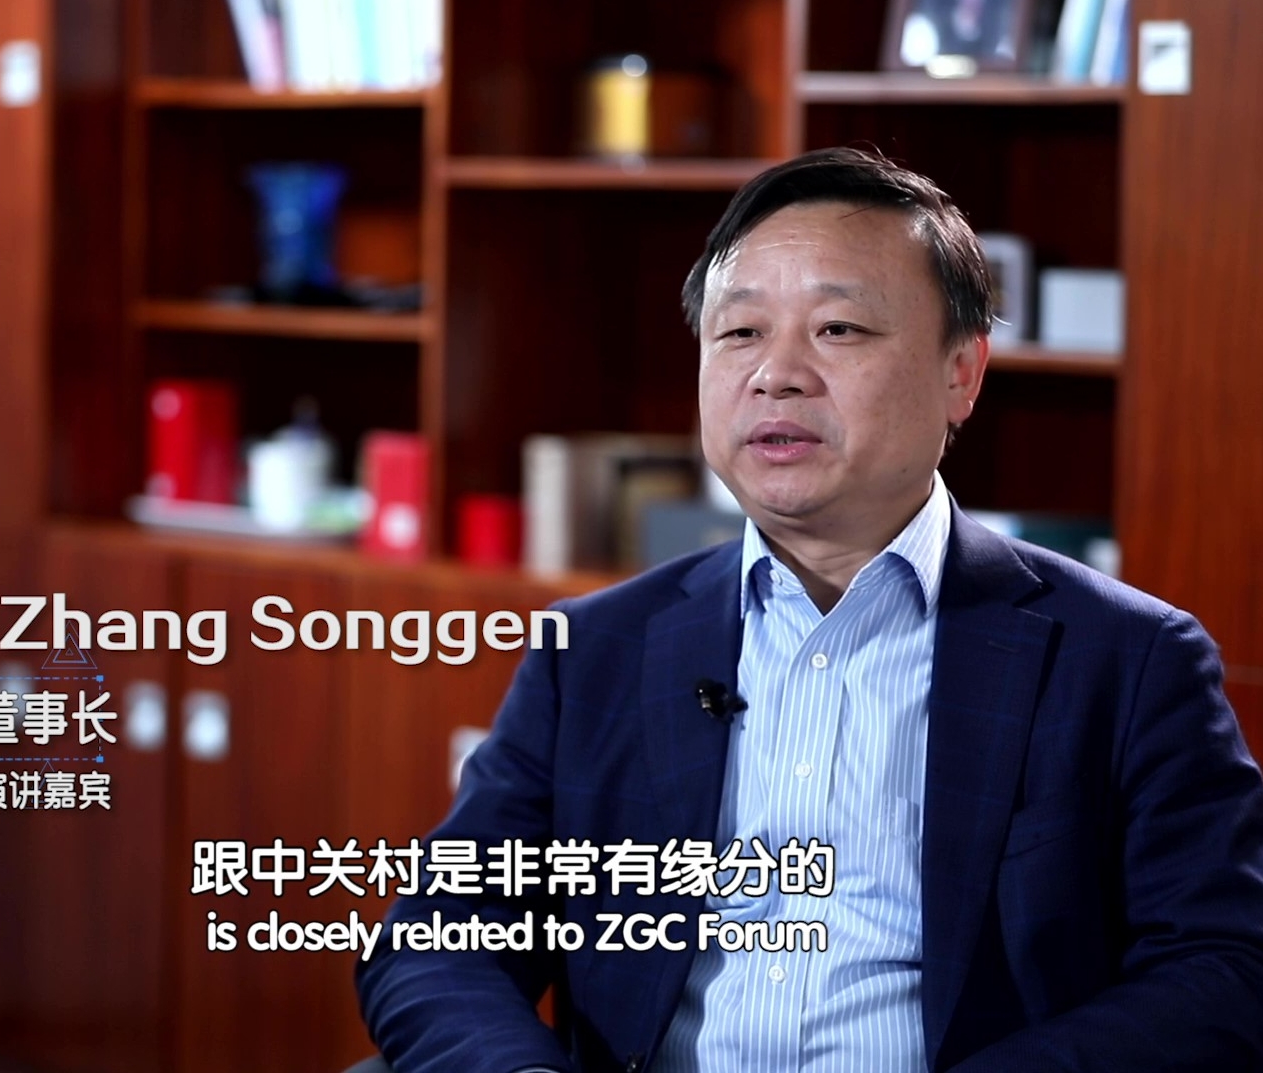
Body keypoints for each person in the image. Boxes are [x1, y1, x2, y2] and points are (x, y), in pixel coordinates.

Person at [354, 147, 1263, 1072]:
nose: (776, 374)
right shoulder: (594, 650)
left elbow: (1225, 968)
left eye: (838, 328)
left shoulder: (1128, 659)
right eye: (740, 332)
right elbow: (437, 939)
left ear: (962, 372)